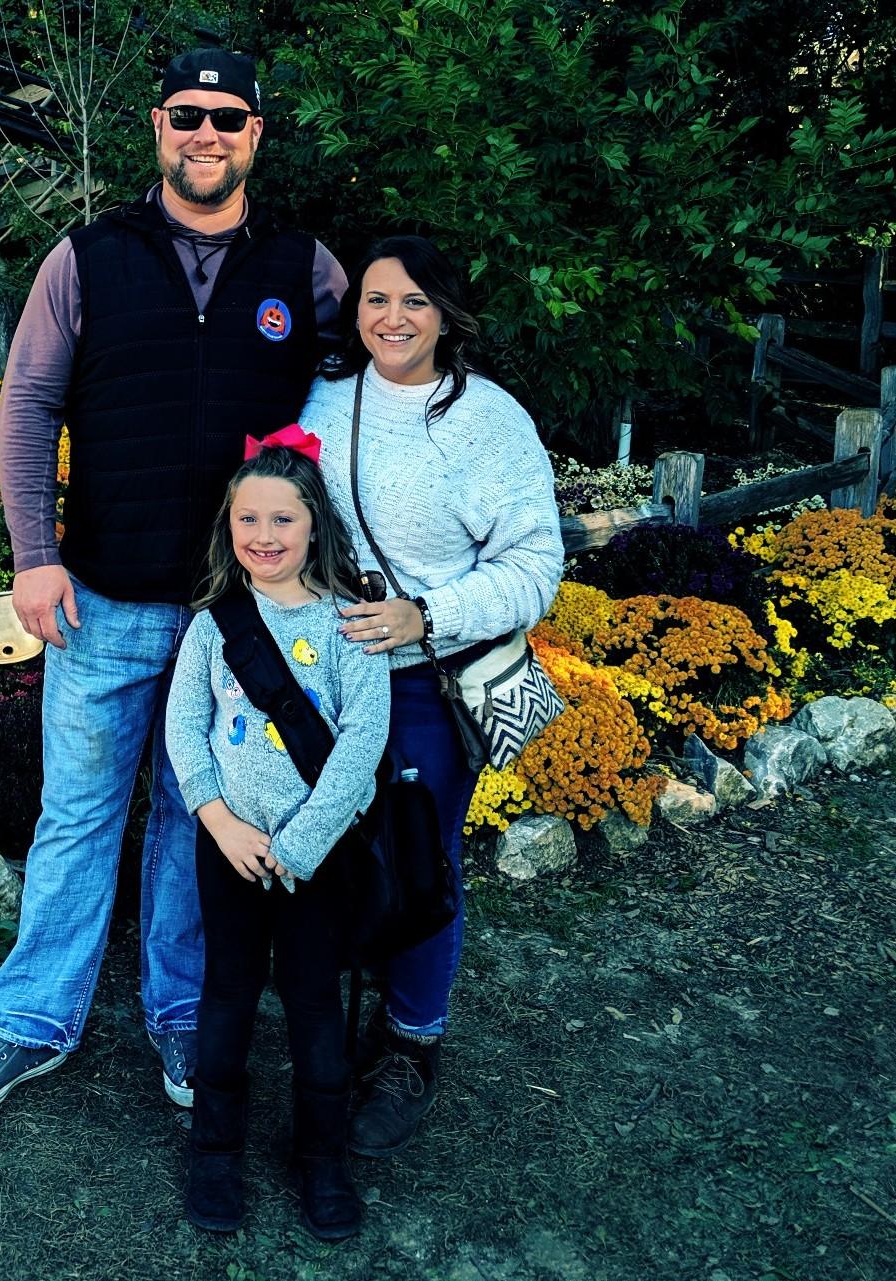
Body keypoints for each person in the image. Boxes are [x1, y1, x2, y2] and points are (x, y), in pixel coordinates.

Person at [0, 48, 346, 1118]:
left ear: (256, 134)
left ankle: (183, 1014)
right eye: (187, 114)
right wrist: (33, 555)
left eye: (228, 117)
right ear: (158, 126)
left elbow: (360, 410)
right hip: (103, 599)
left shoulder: (306, 270)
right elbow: (27, 404)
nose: (207, 134)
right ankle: (30, 1020)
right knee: (78, 814)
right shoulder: (86, 257)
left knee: (192, 819)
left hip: (235, 614)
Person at [298, 235, 564, 1156]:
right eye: (376, 299)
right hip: (325, 676)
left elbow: (534, 565)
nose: (393, 318)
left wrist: (429, 614)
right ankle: (336, 1013)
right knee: (330, 851)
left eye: (414, 301)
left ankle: (412, 1042)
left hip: (423, 682)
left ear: (446, 316)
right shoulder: (325, 396)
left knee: (418, 860)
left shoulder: (487, 422)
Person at [164, 433, 390, 1240]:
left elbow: (362, 744)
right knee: (225, 994)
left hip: (314, 857)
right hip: (229, 846)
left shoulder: (348, 627)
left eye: (282, 519)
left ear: (313, 524)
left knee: (312, 1001)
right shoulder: (212, 624)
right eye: (248, 519)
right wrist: (216, 818)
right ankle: (215, 1149)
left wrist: (301, 844)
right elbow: (184, 727)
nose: (264, 535)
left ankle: (321, 1157)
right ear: (228, 525)